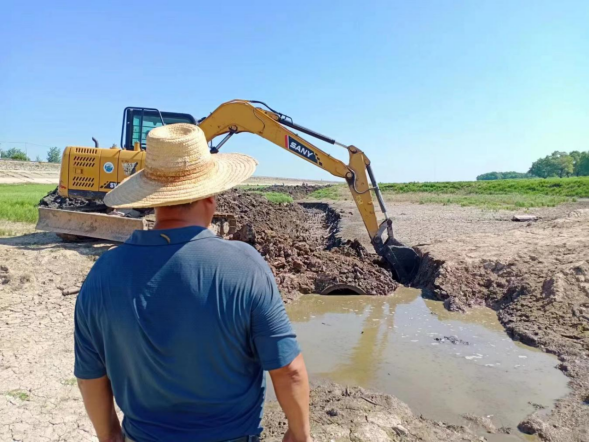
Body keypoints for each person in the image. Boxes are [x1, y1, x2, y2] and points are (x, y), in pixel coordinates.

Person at [74, 123, 312, 442]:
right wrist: (299, 435)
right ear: (210, 196)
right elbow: (289, 371)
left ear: (152, 197)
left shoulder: (102, 274)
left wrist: (110, 436)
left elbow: (91, 376)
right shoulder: (246, 265)